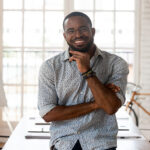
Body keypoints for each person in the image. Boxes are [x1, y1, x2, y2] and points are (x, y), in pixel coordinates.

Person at [38, 11, 129, 150]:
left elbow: (110, 107)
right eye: (71, 30)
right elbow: (48, 113)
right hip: (63, 143)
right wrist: (97, 103)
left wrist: (87, 71)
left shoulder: (115, 64)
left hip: (101, 143)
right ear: (65, 35)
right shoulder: (51, 67)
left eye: (83, 29)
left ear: (92, 31)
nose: (78, 35)